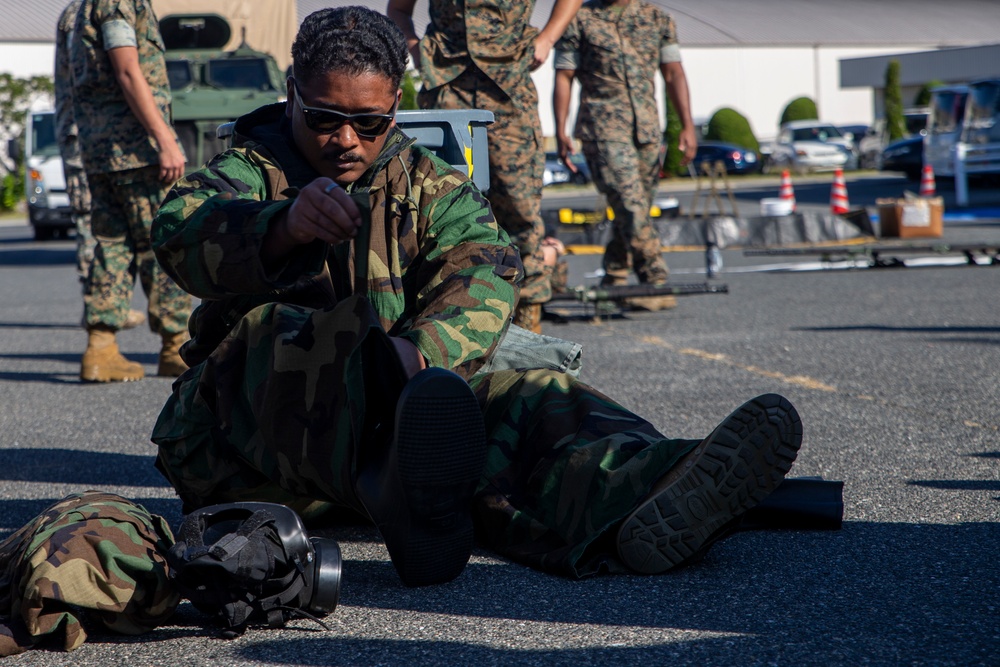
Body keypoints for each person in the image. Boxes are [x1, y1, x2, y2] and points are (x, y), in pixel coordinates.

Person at [150, 6, 802, 588]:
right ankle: (404, 483)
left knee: (530, 399)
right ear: (292, 93)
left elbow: (487, 269)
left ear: (395, 109)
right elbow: (177, 231)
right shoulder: (248, 170)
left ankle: (653, 483)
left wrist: (421, 356)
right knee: (282, 332)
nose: (345, 140)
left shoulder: (428, 184)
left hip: (401, 418)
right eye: (324, 118)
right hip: (251, 449)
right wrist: (280, 226)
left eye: (369, 123)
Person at [386, 0, 584, 334]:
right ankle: (445, 319)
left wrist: (549, 37)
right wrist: (415, 48)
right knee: (437, 205)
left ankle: (527, 325)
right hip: (447, 84)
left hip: (509, 86)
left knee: (520, 207)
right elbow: (398, 9)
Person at [69, 0, 192, 382]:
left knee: (112, 246)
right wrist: (165, 139)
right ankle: (177, 346)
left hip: (103, 151)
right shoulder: (118, 2)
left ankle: (101, 347)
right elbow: (126, 69)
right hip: (136, 151)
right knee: (163, 241)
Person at [553, 0, 697, 311]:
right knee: (631, 204)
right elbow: (564, 75)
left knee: (635, 208)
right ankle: (654, 278)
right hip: (601, 129)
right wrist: (560, 130)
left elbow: (673, 74)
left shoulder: (657, 18)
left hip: (645, 129)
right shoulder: (579, 19)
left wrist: (687, 125)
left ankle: (615, 277)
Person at [54, 0, 144, 331]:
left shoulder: (77, 11)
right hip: (86, 132)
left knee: (104, 225)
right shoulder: (85, 12)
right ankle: (97, 309)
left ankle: (106, 307)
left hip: (86, 132)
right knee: (93, 224)